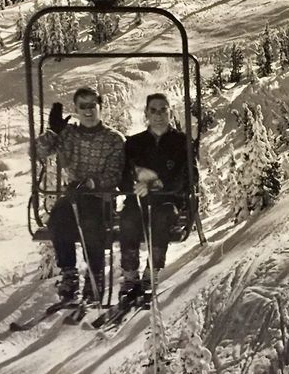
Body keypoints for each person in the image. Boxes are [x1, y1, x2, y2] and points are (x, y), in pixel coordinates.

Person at [35, 86, 124, 303]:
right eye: (82, 106)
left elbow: (115, 173)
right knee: (57, 218)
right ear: (76, 109)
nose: (88, 111)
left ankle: (95, 277)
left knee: (91, 222)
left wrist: (93, 183)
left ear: (100, 107)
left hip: (100, 197)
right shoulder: (68, 135)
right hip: (74, 194)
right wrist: (53, 132)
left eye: (92, 105)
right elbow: (39, 152)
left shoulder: (113, 139)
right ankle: (69, 275)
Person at [118, 93, 195, 298]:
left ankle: (152, 270)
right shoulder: (135, 143)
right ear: (146, 113)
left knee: (161, 218)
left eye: (163, 109)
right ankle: (130, 273)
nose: (158, 114)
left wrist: (161, 184)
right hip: (139, 200)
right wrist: (134, 183)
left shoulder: (181, 142)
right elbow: (123, 175)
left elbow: (190, 174)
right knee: (128, 218)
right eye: (153, 110)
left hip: (168, 199)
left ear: (170, 111)